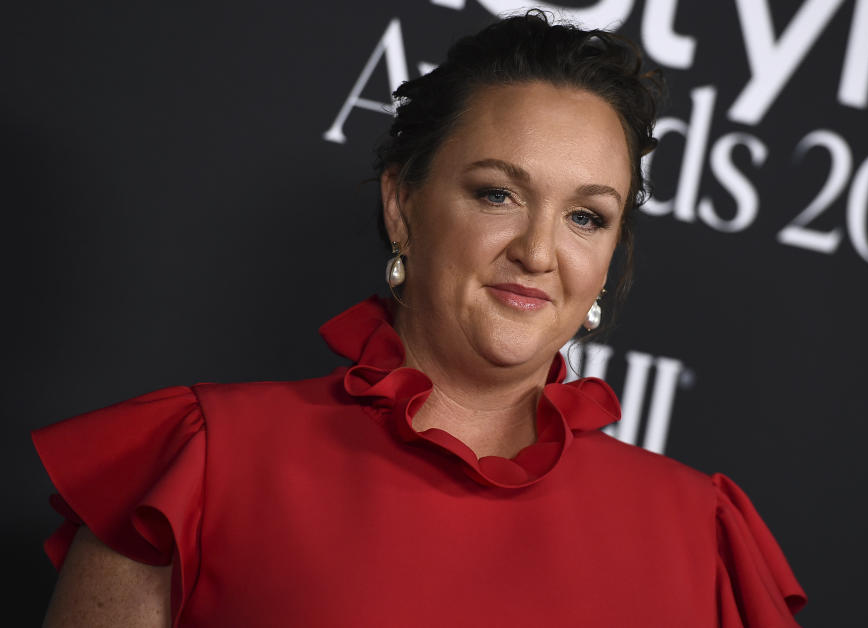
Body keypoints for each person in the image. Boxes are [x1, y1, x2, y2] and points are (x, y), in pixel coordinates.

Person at [33, 10, 806, 627]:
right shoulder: (202, 468)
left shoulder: (696, 535)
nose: (539, 252)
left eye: (586, 216)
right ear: (403, 205)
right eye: (497, 194)